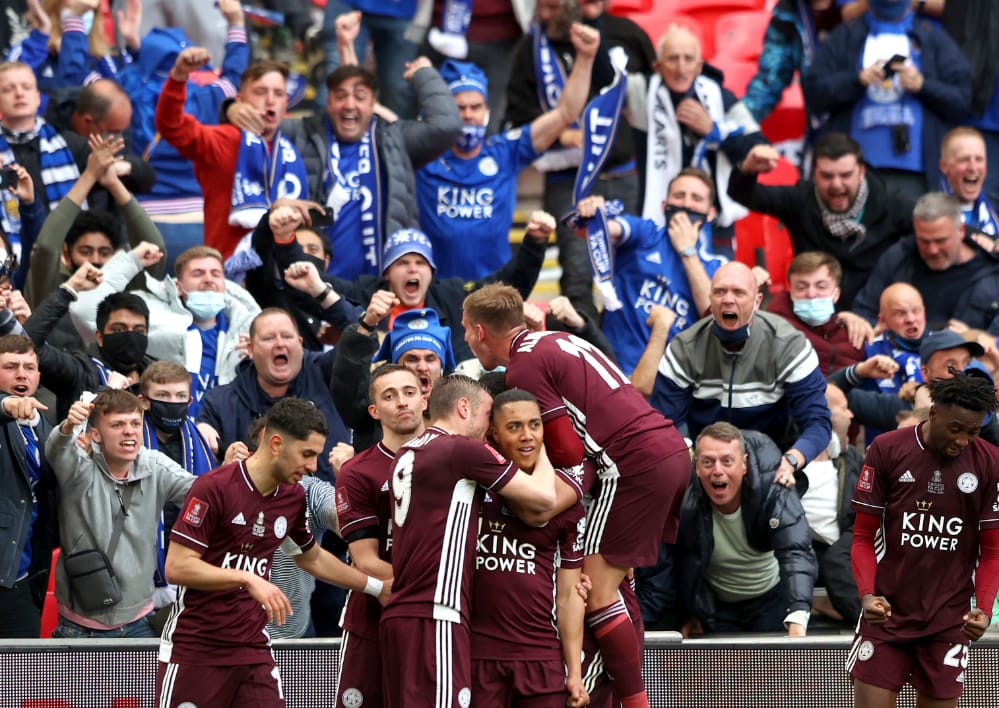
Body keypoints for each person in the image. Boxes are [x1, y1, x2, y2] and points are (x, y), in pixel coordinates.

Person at [462, 283, 690, 707]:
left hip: (631, 465)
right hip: (668, 449)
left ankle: (635, 702)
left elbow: (567, 451)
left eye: (464, 331)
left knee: (598, 594)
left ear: (478, 331)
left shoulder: (522, 368)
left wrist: (543, 499)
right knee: (613, 584)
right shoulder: (559, 339)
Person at [155, 397, 391, 707]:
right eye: (306, 454)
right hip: (197, 647)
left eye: (316, 456)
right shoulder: (213, 487)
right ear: (276, 443)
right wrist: (247, 578)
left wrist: (375, 587)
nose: (311, 466)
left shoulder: (292, 497)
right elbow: (178, 567)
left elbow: (311, 557)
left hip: (253, 646)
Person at [380, 375, 558, 708]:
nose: (490, 427)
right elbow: (544, 500)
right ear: (464, 407)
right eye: (488, 414)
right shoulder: (462, 450)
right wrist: (541, 443)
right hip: (437, 615)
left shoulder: (408, 450)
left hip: (400, 617)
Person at [848, 373, 999, 707]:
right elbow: (862, 537)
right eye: (955, 429)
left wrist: (984, 610)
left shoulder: (990, 463)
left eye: (972, 432)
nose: (962, 441)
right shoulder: (888, 449)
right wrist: (868, 595)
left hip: (949, 621)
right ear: (933, 414)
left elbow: (992, 552)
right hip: (886, 614)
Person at [260, 202, 552, 364]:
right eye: (402, 263)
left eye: (420, 263)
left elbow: (505, 292)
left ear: (431, 272)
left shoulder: (452, 295)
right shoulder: (366, 293)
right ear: (386, 273)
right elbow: (312, 284)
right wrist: (286, 243)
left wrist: (535, 242)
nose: (412, 269)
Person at [415, 22, 597, 280]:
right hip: (437, 292)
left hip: (495, 295)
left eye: (475, 107)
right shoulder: (423, 155)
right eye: (460, 107)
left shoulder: (504, 151)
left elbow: (565, 113)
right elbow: (372, 118)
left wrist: (586, 57)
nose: (468, 115)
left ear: (487, 111)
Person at [505, 0, 641, 318]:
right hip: (568, 177)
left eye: (554, 6)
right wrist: (561, 133)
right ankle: (580, 347)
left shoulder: (618, 32)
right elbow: (517, 111)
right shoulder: (530, 48)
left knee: (626, 268)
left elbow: (621, 92)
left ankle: (620, 346)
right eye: (542, 6)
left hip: (620, 173)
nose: (545, 14)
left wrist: (596, 42)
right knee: (577, 270)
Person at [650, 261, 832, 487]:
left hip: (771, 466)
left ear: (757, 302)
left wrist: (791, 460)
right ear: (710, 299)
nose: (728, 299)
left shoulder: (788, 345)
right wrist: (692, 458)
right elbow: (665, 424)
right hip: (704, 466)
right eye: (719, 292)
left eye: (738, 292)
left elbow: (818, 423)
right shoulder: (684, 348)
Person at [276, 59, 460, 280]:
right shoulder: (301, 133)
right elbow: (255, 123)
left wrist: (424, 75)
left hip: (384, 289)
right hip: (315, 286)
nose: (350, 104)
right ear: (328, 101)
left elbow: (447, 127)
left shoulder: (395, 138)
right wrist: (232, 108)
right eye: (340, 96)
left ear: (373, 103)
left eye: (360, 97)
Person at [471, 388, 588, 707]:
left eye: (534, 425)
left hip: (541, 660)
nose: (527, 436)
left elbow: (569, 594)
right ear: (493, 433)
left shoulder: (566, 501)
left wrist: (574, 673)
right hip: (475, 658)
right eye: (514, 427)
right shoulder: (471, 490)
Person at [47, 389, 195, 638]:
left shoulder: (155, 465)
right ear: (95, 435)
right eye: (117, 424)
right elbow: (57, 450)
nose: (129, 431)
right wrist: (68, 426)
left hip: (139, 622)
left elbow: (203, 494)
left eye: (135, 423)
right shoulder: (78, 468)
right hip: (80, 627)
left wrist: (231, 471)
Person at [802, 0, 971, 202]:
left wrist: (923, 86)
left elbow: (963, 100)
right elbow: (813, 93)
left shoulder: (932, 38)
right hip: (852, 176)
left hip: (918, 175)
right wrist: (856, 80)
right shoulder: (844, 36)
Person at [70, 244, 261, 417]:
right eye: (198, 273)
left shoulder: (249, 329)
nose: (208, 280)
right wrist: (132, 261)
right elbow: (84, 312)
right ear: (178, 286)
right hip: (171, 434)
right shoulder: (152, 315)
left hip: (227, 437)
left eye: (216, 274)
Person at [728, 133, 914, 309]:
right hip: (813, 314)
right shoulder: (800, 201)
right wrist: (747, 169)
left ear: (861, 172)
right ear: (814, 173)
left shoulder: (892, 205)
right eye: (827, 176)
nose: (836, 185)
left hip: (874, 313)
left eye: (845, 175)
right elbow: (744, 195)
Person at [571, 169, 728, 375]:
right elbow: (598, 230)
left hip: (666, 386)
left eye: (696, 198)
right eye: (679, 196)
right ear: (664, 205)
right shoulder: (646, 233)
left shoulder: (717, 267)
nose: (687, 204)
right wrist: (593, 215)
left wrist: (687, 252)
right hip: (611, 371)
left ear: (710, 213)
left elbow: (714, 315)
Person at [335, 364, 426, 708]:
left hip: (438, 616)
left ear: (423, 399)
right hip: (373, 617)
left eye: (409, 392)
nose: (402, 402)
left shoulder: (455, 459)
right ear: (374, 411)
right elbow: (365, 559)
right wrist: (429, 590)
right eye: (389, 396)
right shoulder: (358, 471)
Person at [23, 134, 167, 352]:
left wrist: (113, 183)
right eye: (85, 251)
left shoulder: (128, 287)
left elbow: (155, 248)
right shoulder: (51, 288)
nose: (95, 261)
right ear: (66, 253)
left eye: (104, 252)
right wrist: (89, 176)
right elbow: (45, 248)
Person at [155, 52, 307, 258]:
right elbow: (171, 126)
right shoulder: (223, 139)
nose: (271, 101)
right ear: (240, 99)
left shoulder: (293, 146)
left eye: (278, 94)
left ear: (286, 103)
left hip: (285, 272)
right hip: (228, 271)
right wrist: (178, 76)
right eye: (260, 92)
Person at [676, 423, 817, 636]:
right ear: (696, 466)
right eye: (707, 462)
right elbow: (676, 559)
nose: (717, 471)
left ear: (744, 465)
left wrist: (797, 614)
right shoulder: (684, 495)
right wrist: (686, 613)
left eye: (727, 461)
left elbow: (795, 550)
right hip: (716, 606)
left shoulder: (774, 486)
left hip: (771, 600)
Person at [639, 26, 765, 259]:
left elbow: (758, 148)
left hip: (714, 218)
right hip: (658, 216)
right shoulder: (641, 94)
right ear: (657, 66)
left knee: (716, 288)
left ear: (699, 66)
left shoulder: (721, 97)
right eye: (673, 59)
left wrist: (713, 131)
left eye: (688, 59)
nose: (681, 68)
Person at [196, 307, 351, 480]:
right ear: (251, 349)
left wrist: (322, 293)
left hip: (329, 502)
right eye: (269, 338)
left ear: (300, 343)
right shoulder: (220, 402)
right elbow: (204, 479)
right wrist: (218, 457)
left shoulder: (327, 373)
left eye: (286, 336)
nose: (279, 343)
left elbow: (359, 342)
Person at [851, 192, 999, 330]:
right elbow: (864, 312)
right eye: (924, 241)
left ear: (960, 231)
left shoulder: (991, 270)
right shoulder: (899, 257)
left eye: (940, 241)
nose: (932, 250)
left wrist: (973, 339)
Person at [137, 361, 217, 614]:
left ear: (191, 401)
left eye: (180, 396)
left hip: (189, 567)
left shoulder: (201, 444)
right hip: (139, 575)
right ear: (144, 401)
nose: (173, 402)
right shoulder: (130, 439)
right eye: (163, 396)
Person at [333, 307, 454, 452]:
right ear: (395, 366)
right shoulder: (373, 405)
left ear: (441, 365)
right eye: (412, 358)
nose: (422, 367)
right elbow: (347, 386)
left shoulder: (458, 407)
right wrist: (366, 326)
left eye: (430, 359)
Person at [0, 334, 57, 637]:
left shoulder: (42, 427)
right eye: (11, 366)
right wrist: (7, 405)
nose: (21, 373)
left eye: (28, 367)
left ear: (38, 377)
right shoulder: (7, 412)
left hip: (23, 578)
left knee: (16, 681)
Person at [742, 0, 843, 127]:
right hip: (822, 124)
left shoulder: (867, 9)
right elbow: (770, 80)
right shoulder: (786, 16)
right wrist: (739, 121)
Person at [766, 251, 868, 375]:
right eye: (801, 287)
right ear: (790, 291)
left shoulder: (852, 332)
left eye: (821, 287)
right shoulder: (774, 326)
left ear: (836, 294)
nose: (811, 294)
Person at [937, 127, 997, 241]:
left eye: (979, 159)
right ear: (944, 167)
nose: (973, 168)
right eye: (963, 160)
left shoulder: (995, 210)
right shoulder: (928, 214)